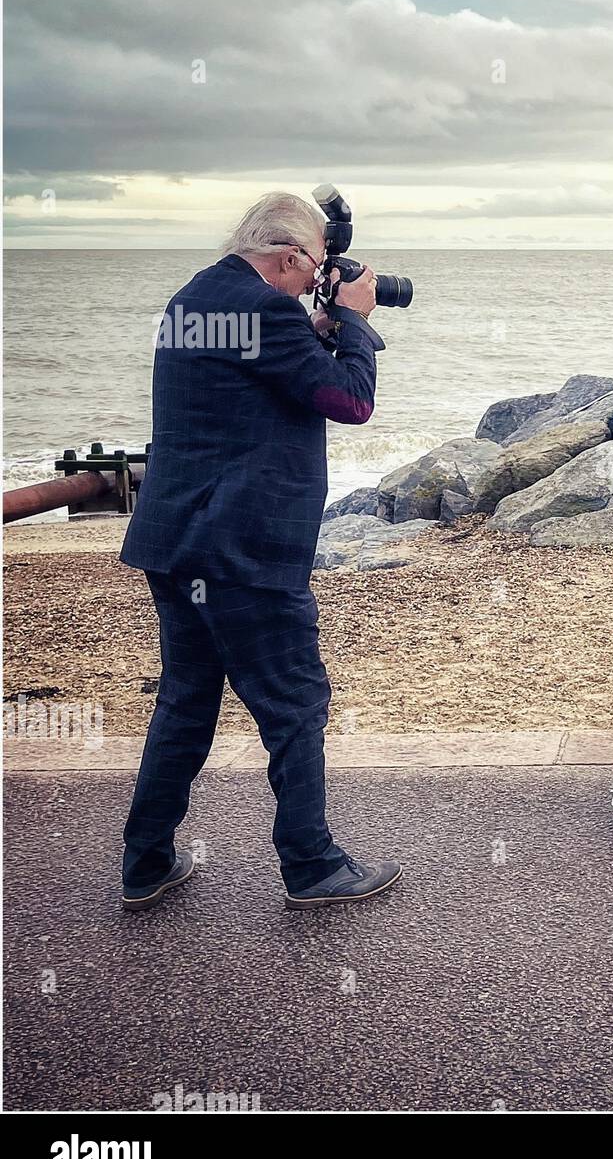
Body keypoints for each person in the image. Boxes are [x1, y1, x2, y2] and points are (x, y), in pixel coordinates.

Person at [119, 192, 402, 909]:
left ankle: (146, 861)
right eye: (312, 273)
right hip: (244, 550)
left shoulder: (194, 299)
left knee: (186, 702)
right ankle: (312, 865)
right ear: (286, 257)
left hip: (175, 541)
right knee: (296, 703)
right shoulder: (269, 312)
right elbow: (349, 401)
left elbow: (243, 387)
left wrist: (315, 325)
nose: (315, 283)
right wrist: (356, 322)